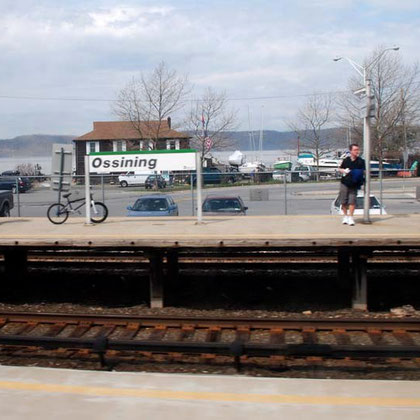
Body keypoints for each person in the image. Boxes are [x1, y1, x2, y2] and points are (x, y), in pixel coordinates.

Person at [338, 144, 365, 226]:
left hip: (354, 184)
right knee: (343, 201)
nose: (357, 151)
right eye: (355, 150)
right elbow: (340, 168)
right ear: (351, 151)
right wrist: (343, 171)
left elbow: (363, 171)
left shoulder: (361, 161)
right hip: (345, 183)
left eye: (358, 149)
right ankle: (345, 216)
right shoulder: (346, 160)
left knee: (352, 201)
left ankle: (351, 217)